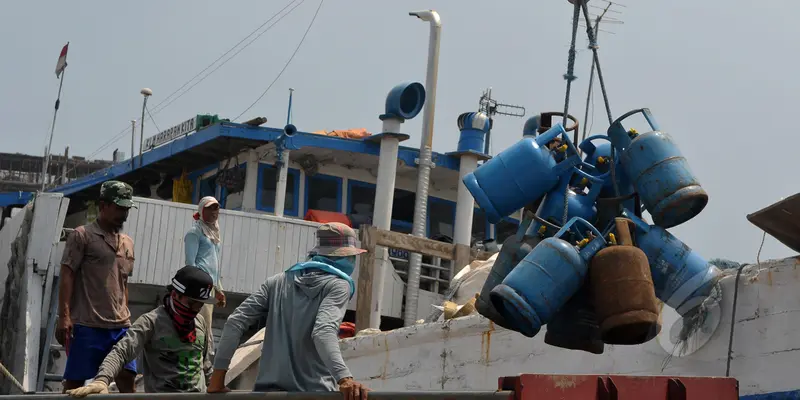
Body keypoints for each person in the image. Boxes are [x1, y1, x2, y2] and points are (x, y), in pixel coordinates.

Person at [207, 222, 370, 399]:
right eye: (351, 257)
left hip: (266, 394)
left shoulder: (277, 281)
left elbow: (235, 321)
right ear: (343, 257)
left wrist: (217, 380)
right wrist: (344, 378)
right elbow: (323, 331)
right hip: (313, 394)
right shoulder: (338, 285)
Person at [65, 266, 217, 397]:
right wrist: (102, 380)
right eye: (191, 304)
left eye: (200, 305)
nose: (196, 310)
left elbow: (204, 363)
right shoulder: (151, 322)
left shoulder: (199, 323)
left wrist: (215, 386)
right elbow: (121, 352)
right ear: (176, 295)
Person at [56, 180, 138, 393]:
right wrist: (64, 316)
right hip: (88, 325)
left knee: (128, 379)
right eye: (119, 208)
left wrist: (126, 315)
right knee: (74, 383)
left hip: (121, 327)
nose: (124, 213)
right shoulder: (82, 235)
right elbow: (67, 274)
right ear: (103, 206)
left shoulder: (127, 242)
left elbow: (124, 282)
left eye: (126, 208)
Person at [184, 196, 225, 347]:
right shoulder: (195, 233)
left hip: (210, 287)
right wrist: (196, 288)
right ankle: (197, 354)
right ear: (201, 211)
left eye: (216, 208)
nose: (214, 211)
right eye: (210, 208)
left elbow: (214, 266)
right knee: (199, 322)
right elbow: (190, 263)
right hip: (200, 287)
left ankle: (204, 356)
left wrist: (219, 289)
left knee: (207, 323)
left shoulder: (214, 234)